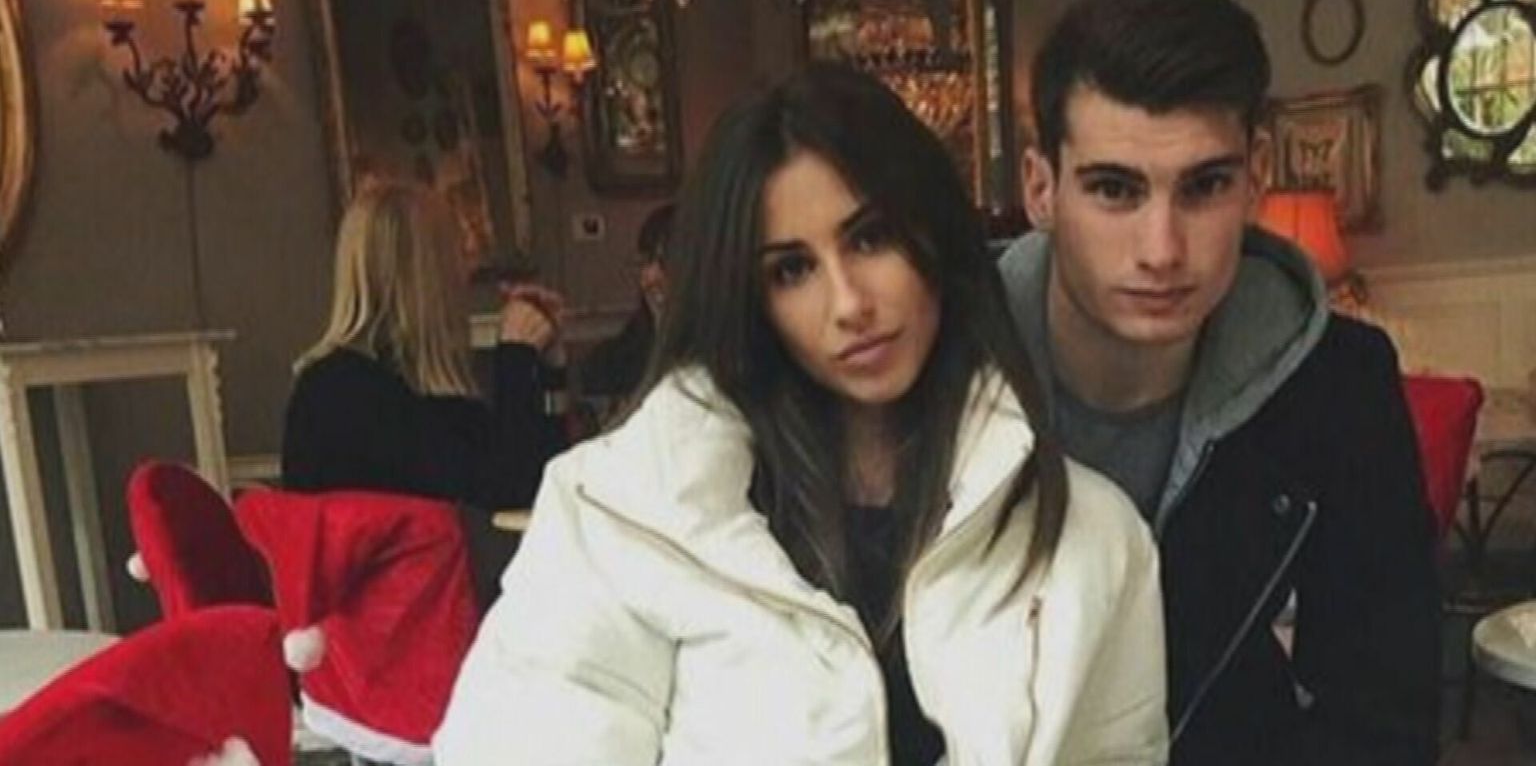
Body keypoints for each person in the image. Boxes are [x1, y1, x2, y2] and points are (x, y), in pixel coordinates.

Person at [433, 65, 1167, 765]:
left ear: (935, 235)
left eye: (870, 237)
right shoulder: (627, 510)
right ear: (749, 299)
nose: (849, 304)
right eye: (792, 270)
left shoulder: (1091, 539)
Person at [998, 0, 1439, 766]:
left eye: (1204, 186)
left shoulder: (1339, 384)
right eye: (1114, 189)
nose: (1162, 249)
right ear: (1040, 188)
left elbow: (1385, 719)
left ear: (1256, 176)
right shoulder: (946, 367)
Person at [282, 181, 569, 511]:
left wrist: (549, 368)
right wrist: (516, 358)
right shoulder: (347, 394)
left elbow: (544, 480)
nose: (467, 272)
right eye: (458, 252)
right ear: (428, 273)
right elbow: (506, 490)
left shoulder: (413, 387)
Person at [577, 201, 674, 409]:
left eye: (666, 262)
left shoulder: (731, 367)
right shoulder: (609, 365)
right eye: (645, 262)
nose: (649, 279)